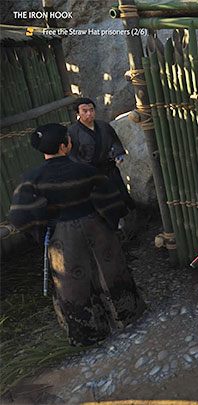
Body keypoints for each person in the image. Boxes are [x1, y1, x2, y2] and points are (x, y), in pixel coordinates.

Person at [8, 123, 146, 347]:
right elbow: (111, 199)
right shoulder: (86, 171)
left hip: (61, 236)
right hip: (96, 227)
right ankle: (127, 316)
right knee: (110, 270)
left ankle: (89, 333)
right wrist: (109, 220)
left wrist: (42, 229)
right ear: (64, 145)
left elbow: (19, 216)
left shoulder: (31, 179)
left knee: (72, 282)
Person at [68, 97, 136, 213]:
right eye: (85, 111)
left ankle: (133, 215)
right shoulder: (73, 132)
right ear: (77, 113)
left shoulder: (104, 126)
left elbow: (114, 141)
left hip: (109, 168)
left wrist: (117, 155)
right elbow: (73, 156)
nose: (89, 113)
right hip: (90, 174)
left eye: (91, 110)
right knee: (102, 201)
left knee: (121, 194)